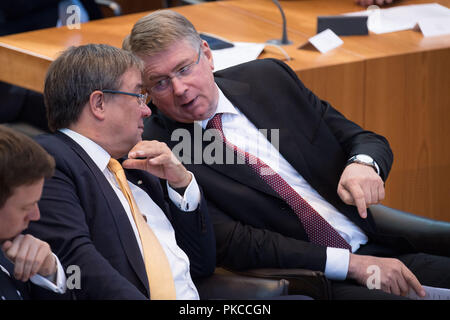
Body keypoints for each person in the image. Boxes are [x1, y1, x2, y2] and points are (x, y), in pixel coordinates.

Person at [127, 10, 450, 300]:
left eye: (184, 69)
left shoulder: (269, 78)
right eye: (160, 83)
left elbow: (364, 140)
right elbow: (235, 243)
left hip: (379, 244)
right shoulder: (159, 151)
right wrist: (352, 265)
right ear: (146, 91)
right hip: (315, 278)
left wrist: (362, 165)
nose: (180, 88)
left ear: (207, 55)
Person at [28, 44, 215, 300]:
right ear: (99, 103)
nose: (147, 110)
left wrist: (181, 183)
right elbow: (77, 263)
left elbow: (201, 265)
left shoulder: (137, 167)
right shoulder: (50, 161)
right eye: (138, 95)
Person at [0, 125, 66, 300]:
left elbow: (78, 282)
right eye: (26, 207)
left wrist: (49, 272)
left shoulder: (12, 249)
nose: (36, 215)